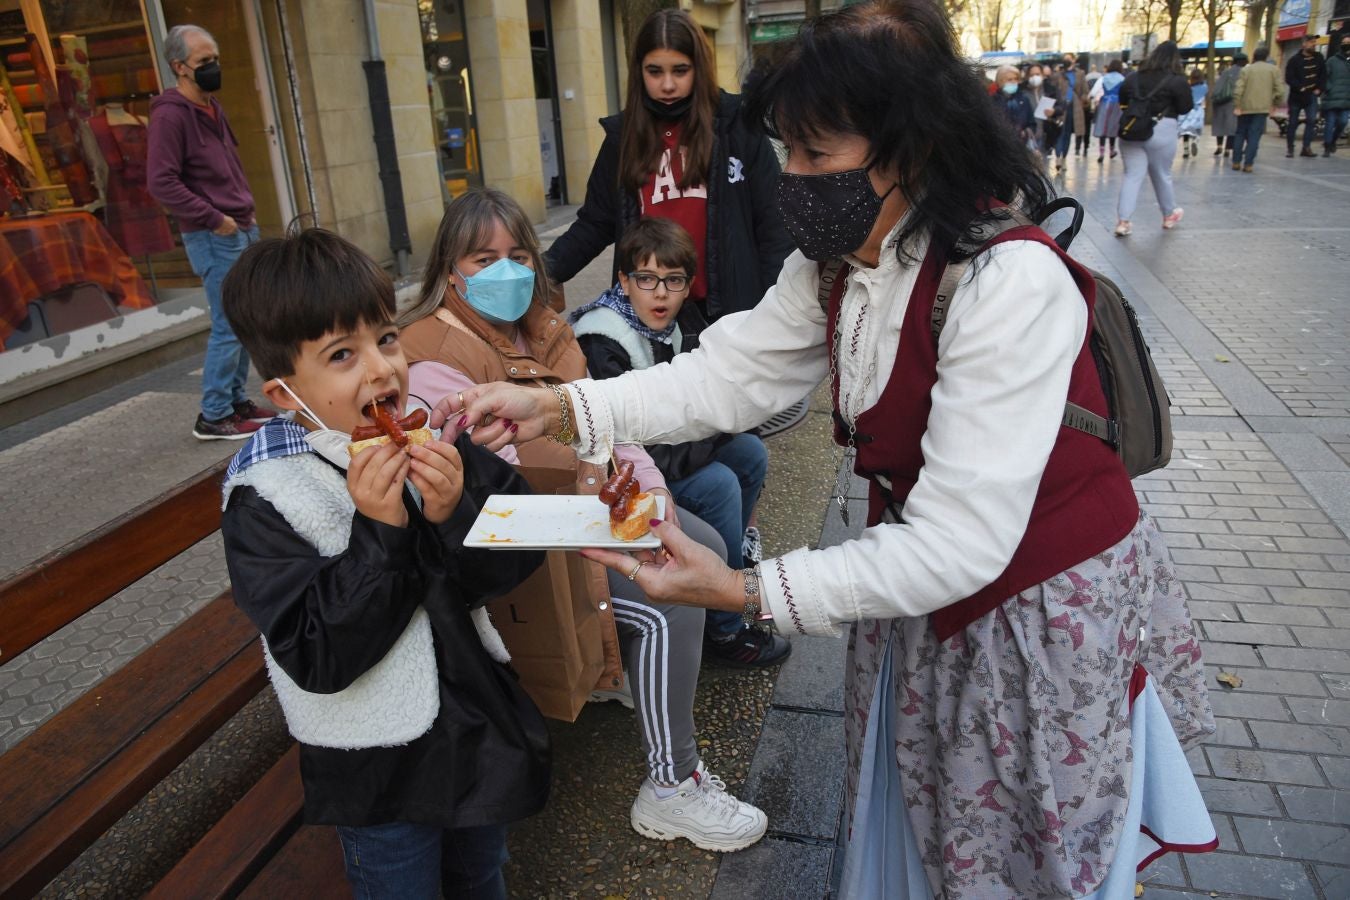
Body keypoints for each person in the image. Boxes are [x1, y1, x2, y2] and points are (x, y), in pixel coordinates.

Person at [449, 3, 1217, 897]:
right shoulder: (842, 258)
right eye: (790, 153)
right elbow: (722, 377)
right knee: (928, 817)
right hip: (920, 591)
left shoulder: (1008, 279)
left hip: (1031, 608)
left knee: (1020, 844)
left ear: (910, 148)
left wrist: (740, 589)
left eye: (820, 156)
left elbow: (960, 543)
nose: (795, 180)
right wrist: (561, 408)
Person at [398, 188, 772, 852]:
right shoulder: (431, 354)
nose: (505, 271)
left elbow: (610, 427)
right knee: (671, 599)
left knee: (702, 538)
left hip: (580, 506)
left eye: (518, 254)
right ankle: (672, 786)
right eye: (484, 258)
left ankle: (626, 675)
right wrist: (635, 529)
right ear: (449, 267)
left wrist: (656, 511)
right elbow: (505, 480)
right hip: (510, 533)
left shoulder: (545, 328)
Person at [217, 229, 550, 898]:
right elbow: (317, 656)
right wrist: (379, 531)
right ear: (286, 394)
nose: (382, 369)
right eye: (343, 354)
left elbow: (516, 559)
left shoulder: (430, 440)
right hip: (376, 771)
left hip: (474, 727)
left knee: (482, 874)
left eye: (387, 338)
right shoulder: (269, 496)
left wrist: (454, 509)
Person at [569, 217, 784, 668]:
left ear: (689, 286)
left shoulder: (682, 321)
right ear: (624, 282)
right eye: (646, 279)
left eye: (673, 280)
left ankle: (731, 565)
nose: (661, 293)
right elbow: (635, 444)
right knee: (719, 483)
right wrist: (717, 427)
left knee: (749, 452)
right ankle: (723, 628)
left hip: (668, 451)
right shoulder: (602, 339)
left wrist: (723, 424)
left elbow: (714, 399)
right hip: (625, 472)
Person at [543, 8, 792, 325]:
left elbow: (774, 229)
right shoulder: (622, 139)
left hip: (729, 317)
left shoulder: (737, 126)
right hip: (649, 317)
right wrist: (541, 271)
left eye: (680, 70)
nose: (668, 84)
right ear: (639, 72)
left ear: (699, 68)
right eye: (655, 71)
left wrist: (774, 314)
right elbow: (594, 224)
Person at [148, 24, 275, 441]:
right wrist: (215, 218)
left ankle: (236, 402)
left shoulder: (210, 107)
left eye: (215, 58)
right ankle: (214, 413)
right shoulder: (170, 116)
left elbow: (225, 168)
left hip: (238, 226)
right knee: (228, 323)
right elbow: (161, 182)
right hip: (213, 234)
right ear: (179, 67)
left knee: (243, 319)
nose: (213, 68)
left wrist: (244, 213)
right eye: (204, 62)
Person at [1113, 41, 1191, 236]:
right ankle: (1168, 214)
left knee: (1132, 175)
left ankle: (1123, 221)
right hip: (1162, 129)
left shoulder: (1133, 78)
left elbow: (1122, 100)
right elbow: (1185, 107)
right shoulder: (1177, 80)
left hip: (1132, 129)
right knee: (1162, 174)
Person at [1231, 45, 1285, 172]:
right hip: (1262, 108)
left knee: (1240, 133)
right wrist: (1275, 104)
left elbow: (1238, 89)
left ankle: (1236, 162)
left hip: (1245, 107)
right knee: (1254, 135)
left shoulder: (1246, 70)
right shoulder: (1274, 70)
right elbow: (1280, 90)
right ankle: (1248, 164)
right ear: (1266, 57)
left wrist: (1237, 105)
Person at [1284, 33, 1327, 158]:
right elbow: (1289, 77)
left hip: (1312, 96)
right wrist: (1300, 87)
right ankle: (1290, 148)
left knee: (1311, 120)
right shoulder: (1294, 60)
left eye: (1314, 42)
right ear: (1304, 44)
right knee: (1292, 122)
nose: (1314, 44)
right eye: (1311, 42)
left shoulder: (1319, 58)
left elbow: (1323, 75)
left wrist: (1319, 88)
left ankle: (1306, 147)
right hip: (1297, 97)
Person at [1090, 59, 1126, 162]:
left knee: (1103, 127)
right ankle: (1111, 150)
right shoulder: (1122, 79)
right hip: (1117, 104)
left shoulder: (1103, 78)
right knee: (1113, 127)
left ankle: (1101, 153)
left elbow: (1093, 92)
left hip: (1104, 103)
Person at [1210, 52, 1245, 156]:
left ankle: (1219, 146)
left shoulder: (1226, 72)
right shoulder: (1244, 72)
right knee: (1232, 126)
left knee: (1219, 124)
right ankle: (1227, 149)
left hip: (1220, 102)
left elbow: (1217, 88)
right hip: (1233, 103)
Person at [993, 65, 1035, 149]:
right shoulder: (993, 101)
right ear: (1000, 81)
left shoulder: (1024, 99)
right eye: (1009, 79)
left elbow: (1032, 123)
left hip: (1022, 146)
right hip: (1002, 148)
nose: (1014, 82)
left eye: (1016, 79)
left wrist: (1026, 132)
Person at [1323, 35, 1350, 155]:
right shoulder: (1332, 61)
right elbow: (1324, 77)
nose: (1347, 45)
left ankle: (1333, 140)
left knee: (1343, 122)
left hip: (1346, 99)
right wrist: (1329, 88)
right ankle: (1327, 146)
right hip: (1332, 97)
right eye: (1345, 42)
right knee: (1330, 123)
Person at [1179, 68, 1208, 158]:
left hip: (1188, 109)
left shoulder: (1188, 86)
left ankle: (1186, 150)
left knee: (1186, 131)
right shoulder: (1205, 87)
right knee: (1197, 129)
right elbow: (1205, 99)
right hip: (1198, 109)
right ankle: (1195, 141)